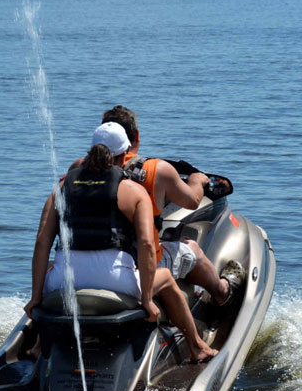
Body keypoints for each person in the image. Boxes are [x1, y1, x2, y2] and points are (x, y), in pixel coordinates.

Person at [24, 122, 216, 362]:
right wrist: (146, 300)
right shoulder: (134, 192)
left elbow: (42, 243)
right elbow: (146, 245)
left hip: (66, 281)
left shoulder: (61, 189)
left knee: (54, 265)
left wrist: (36, 296)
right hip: (116, 281)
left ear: (91, 151)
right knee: (166, 277)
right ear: (125, 154)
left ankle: (39, 346)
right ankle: (197, 347)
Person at [100, 105, 244, 305]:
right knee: (191, 248)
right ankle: (222, 291)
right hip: (133, 264)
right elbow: (192, 201)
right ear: (137, 136)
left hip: (94, 258)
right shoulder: (155, 170)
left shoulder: (80, 172)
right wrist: (197, 180)